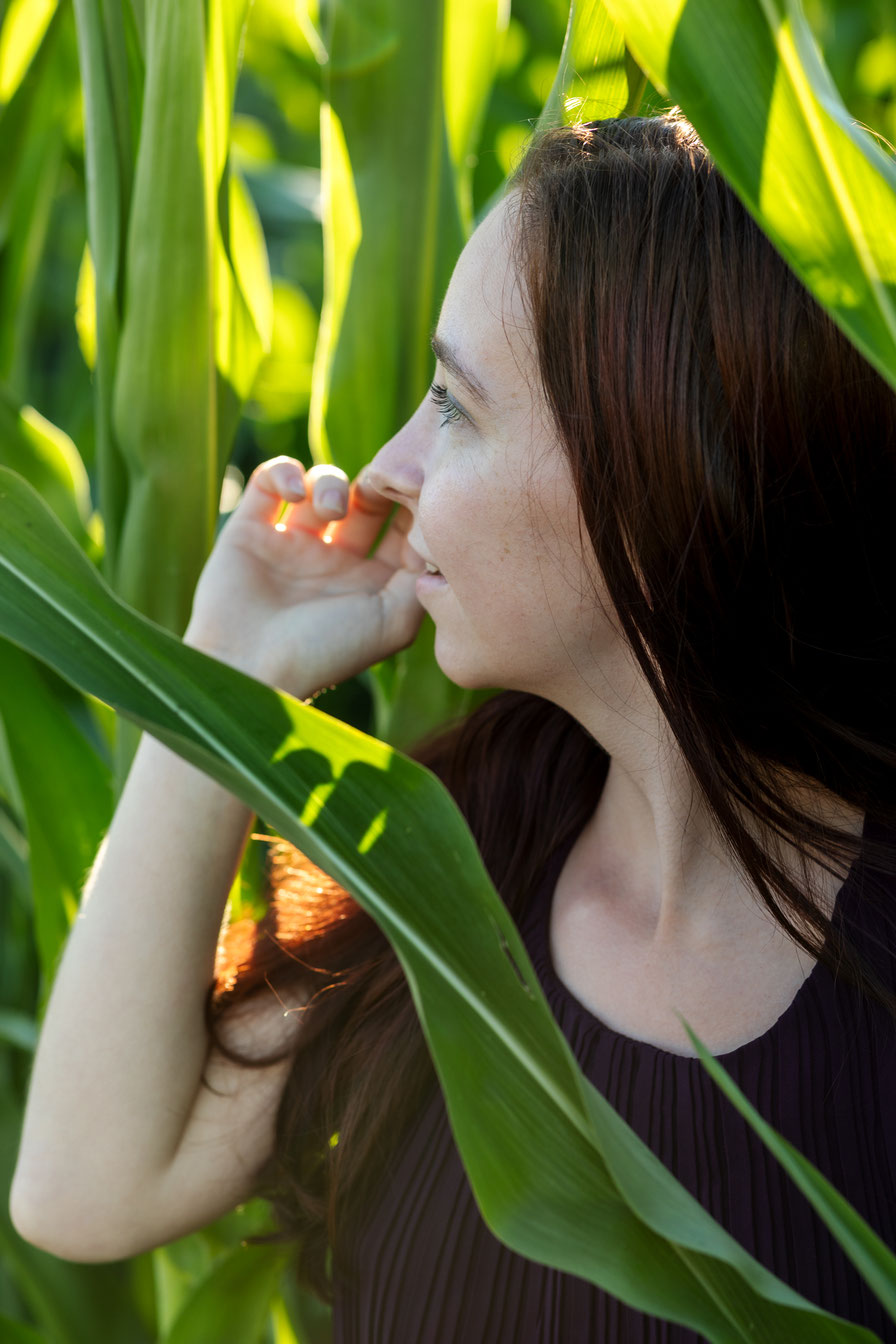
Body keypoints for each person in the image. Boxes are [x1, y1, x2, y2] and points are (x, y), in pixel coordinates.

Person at [10, 113, 896, 1342]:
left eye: (454, 406)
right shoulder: (457, 862)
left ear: (647, 472)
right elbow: (83, 1187)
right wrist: (224, 680)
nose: (380, 471)